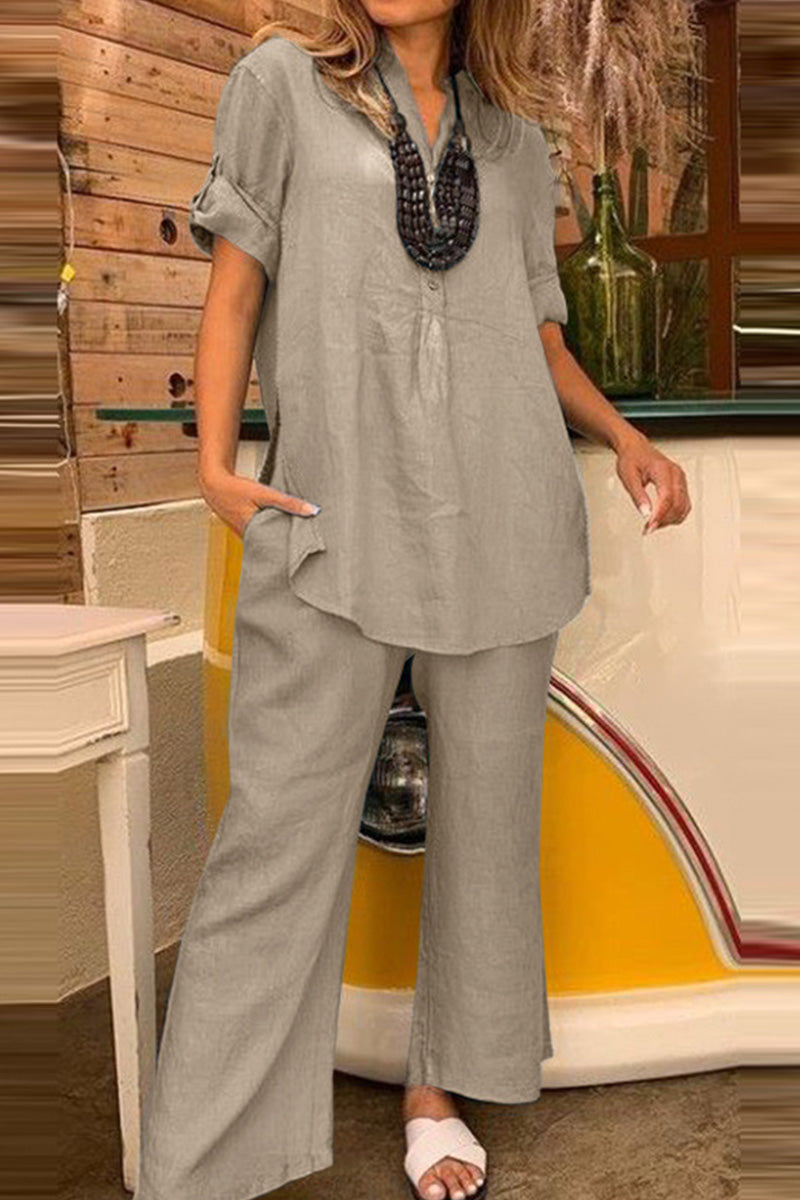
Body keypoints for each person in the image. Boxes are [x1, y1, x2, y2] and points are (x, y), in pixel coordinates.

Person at [134, 4, 691, 1200]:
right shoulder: (279, 83)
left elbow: (538, 339)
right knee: (273, 842)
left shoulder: (513, 138)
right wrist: (215, 466)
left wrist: (626, 438)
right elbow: (235, 288)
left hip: (499, 517)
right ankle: (198, 1167)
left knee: (486, 830)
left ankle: (437, 1095)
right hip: (333, 517)